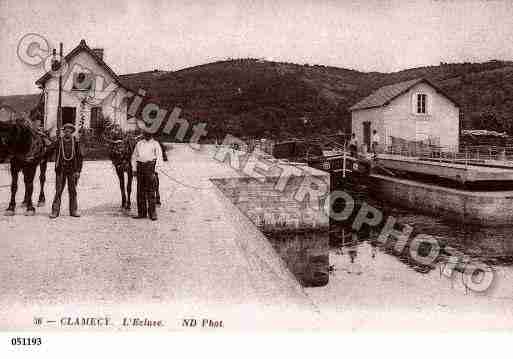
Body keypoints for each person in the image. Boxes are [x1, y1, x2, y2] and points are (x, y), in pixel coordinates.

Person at [131, 122, 163, 220]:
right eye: (145, 133)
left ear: (152, 134)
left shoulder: (155, 144)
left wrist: (156, 170)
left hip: (150, 168)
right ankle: (142, 213)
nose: (147, 135)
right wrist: (134, 169)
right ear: (144, 133)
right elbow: (134, 157)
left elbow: (159, 158)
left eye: (149, 133)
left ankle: (152, 213)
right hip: (140, 168)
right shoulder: (139, 144)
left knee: (150, 191)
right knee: (140, 191)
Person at [50, 123, 83, 218]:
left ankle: (73, 210)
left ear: (72, 132)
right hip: (61, 169)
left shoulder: (76, 142)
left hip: (72, 170)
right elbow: (50, 149)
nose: (67, 132)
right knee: (58, 191)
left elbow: (80, 157)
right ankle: (55, 211)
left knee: (72, 190)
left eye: (69, 131)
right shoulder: (59, 141)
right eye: (65, 130)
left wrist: (78, 171)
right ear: (63, 131)